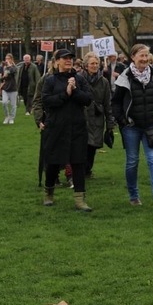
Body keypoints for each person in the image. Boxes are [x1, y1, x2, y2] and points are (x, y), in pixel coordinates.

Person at [112, 43, 153, 208]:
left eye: (146, 56)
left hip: (151, 126)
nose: (144, 59)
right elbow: (115, 102)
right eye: (141, 56)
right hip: (131, 127)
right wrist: (123, 121)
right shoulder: (124, 78)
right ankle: (133, 195)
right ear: (133, 57)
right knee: (132, 161)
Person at [37, 49, 93, 210]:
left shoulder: (79, 79)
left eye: (70, 58)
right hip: (56, 127)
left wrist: (74, 91)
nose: (68, 61)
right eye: (65, 58)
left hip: (77, 127)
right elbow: (47, 101)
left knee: (78, 162)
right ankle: (49, 193)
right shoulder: (50, 80)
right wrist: (65, 93)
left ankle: (80, 199)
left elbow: (88, 99)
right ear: (56, 62)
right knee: (54, 162)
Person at [80, 52, 115, 178]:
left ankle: (87, 170)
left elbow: (108, 103)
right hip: (82, 116)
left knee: (92, 146)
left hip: (97, 117)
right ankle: (80, 171)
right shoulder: (79, 78)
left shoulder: (104, 81)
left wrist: (110, 123)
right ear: (86, 65)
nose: (95, 66)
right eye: (92, 64)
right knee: (81, 145)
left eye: (96, 63)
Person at [0, 54, 18, 124]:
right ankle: (7, 116)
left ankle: (12, 118)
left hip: (13, 88)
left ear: (11, 59)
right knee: (4, 103)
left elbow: (14, 71)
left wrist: (10, 65)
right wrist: (3, 76)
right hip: (5, 88)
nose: (7, 60)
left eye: (8, 58)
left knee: (13, 105)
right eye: (6, 58)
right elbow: (0, 78)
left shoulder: (14, 67)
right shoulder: (3, 67)